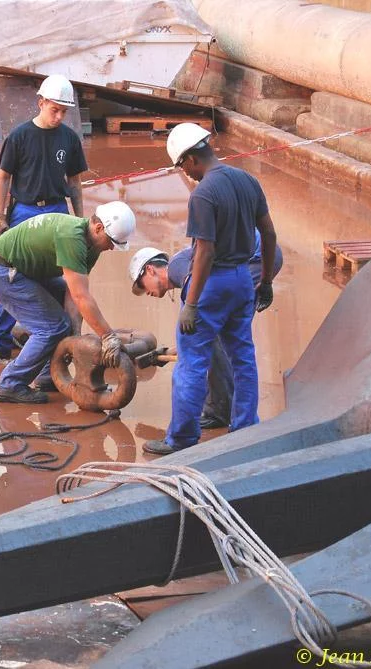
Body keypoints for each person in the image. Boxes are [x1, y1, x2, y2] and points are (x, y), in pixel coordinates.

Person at [140, 124, 277, 455]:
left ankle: (181, 439)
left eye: (182, 166)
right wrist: (266, 281)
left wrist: (191, 303)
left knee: (192, 363)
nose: (185, 173)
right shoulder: (247, 180)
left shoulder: (203, 194)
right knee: (243, 357)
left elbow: (204, 252)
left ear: (190, 158)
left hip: (212, 284)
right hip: (243, 280)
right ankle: (245, 427)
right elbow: (269, 234)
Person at [0, 74, 88, 365]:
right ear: (41, 103)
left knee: (60, 274)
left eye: (64, 111)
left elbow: (74, 182)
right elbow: (3, 177)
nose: (59, 116)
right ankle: (0, 341)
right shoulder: (19, 136)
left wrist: (80, 220)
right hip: (25, 211)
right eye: (54, 110)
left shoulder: (69, 138)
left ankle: (60, 339)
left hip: (57, 210)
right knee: (12, 273)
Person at [0, 202, 136, 403]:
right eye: (112, 241)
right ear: (98, 228)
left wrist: (74, 335)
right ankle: (10, 384)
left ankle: (49, 376)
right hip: (1, 271)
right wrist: (108, 336)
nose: (112, 247)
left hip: (25, 272)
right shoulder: (71, 237)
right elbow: (81, 297)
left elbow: (73, 293)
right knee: (51, 328)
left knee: (63, 324)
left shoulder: (92, 245)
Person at [129, 234, 284, 430]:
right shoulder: (181, 268)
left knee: (223, 341)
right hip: (260, 255)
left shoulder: (176, 267)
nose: (146, 293)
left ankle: (219, 412)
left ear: (150, 270)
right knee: (229, 340)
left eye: (142, 285)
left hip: (257, 258)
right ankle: (229, 413)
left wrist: (191, 345)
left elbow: (204, 303)